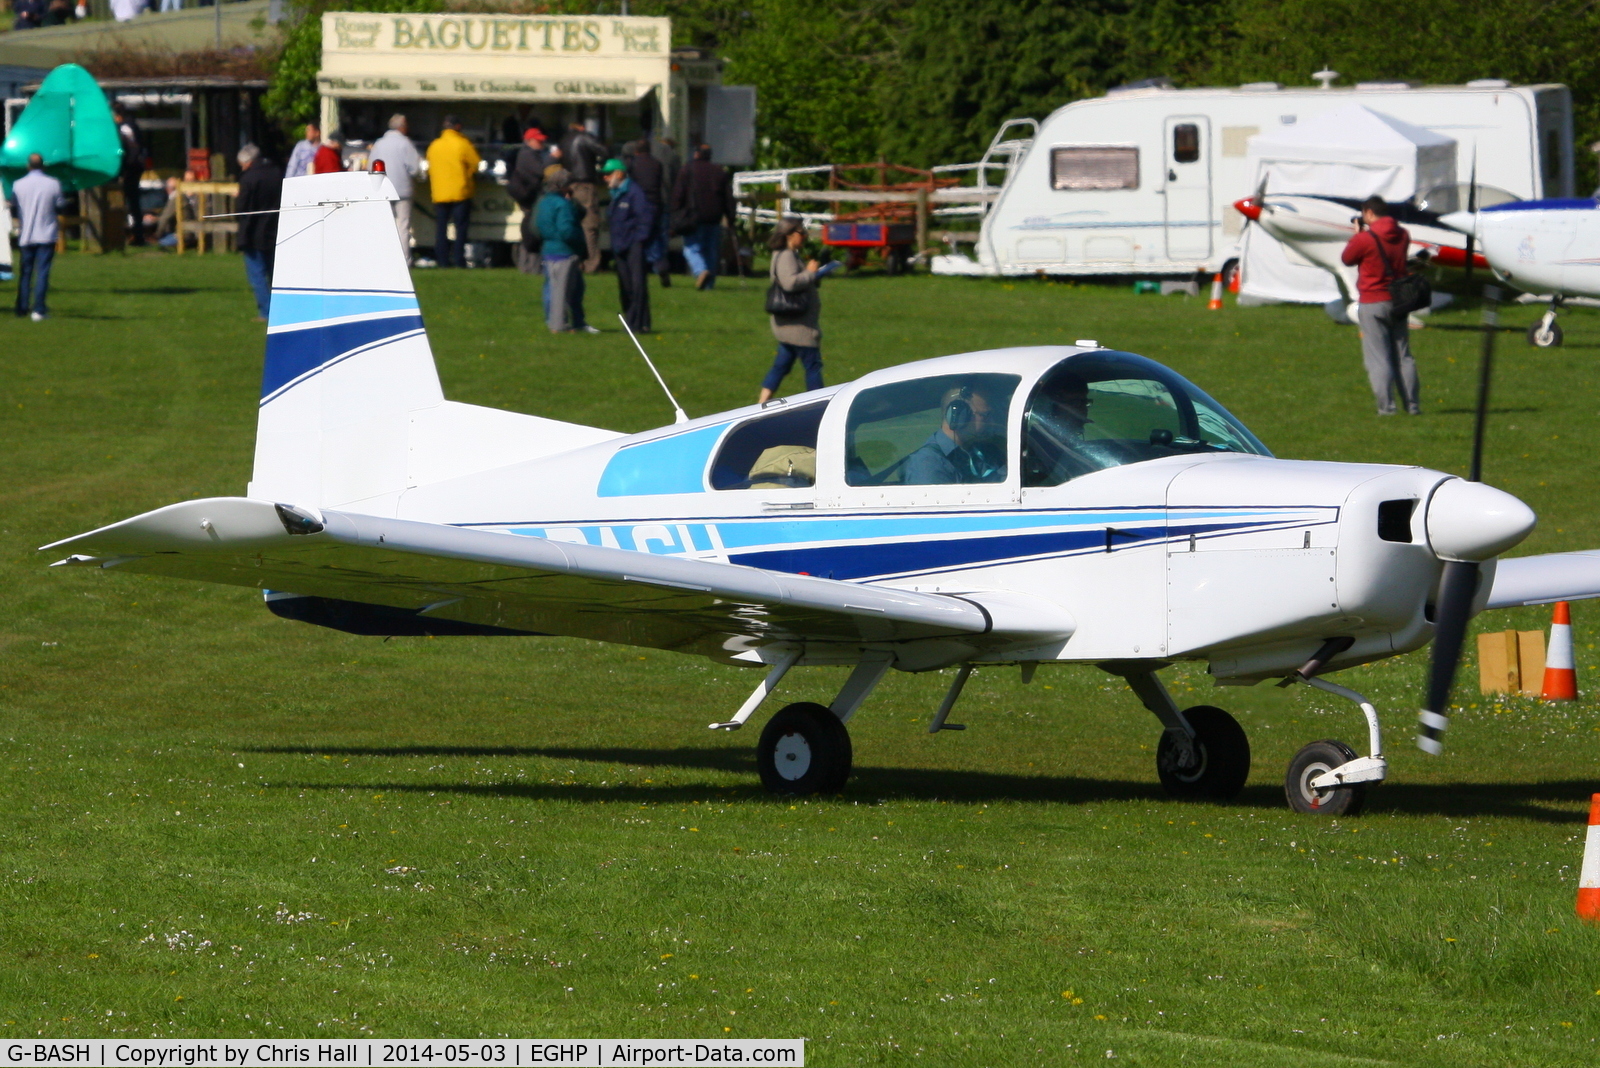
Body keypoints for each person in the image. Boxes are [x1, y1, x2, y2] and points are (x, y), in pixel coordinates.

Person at [1341, 195, 1419, 415]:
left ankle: (1387, 408)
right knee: (1403, 355)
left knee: (1378, 357)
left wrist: (1357, 236)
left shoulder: (1365, 239)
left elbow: (1347, 258)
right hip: (1398, 300)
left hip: (1373, 300)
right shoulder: (1403, 234)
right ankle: (1413, 405)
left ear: (1368, 213)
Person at [758, 218, 834, 404]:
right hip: (798, 326)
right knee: (813, 366)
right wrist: (810, 273)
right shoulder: (786, 256)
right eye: (802, 233)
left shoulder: (787, 254)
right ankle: (819, 404)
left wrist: (814, 274)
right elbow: (789, 283)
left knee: (781, 365)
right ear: (790, 235)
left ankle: (761, 403)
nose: (805, 236)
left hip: (790, 326)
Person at [904, 384, 1006, 485]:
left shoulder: (979, 453)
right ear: (959, 416)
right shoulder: (928, 464)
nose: (991, 422)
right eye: (985, 415)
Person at [536, 171, 596, 334]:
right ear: (564, 186)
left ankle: (558, 323)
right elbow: (567, 230)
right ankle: (559, 325)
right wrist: (579, 243)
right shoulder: (563, 205)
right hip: (564, 251)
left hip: (549, 250)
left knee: (555, 289)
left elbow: (539, 226)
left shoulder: (544, 202)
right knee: (563, 292)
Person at [673, 143, 734, 289]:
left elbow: (678, 194)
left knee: (692, 248)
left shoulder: (687, 169)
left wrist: (675, 213)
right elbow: (728, 198)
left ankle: (700, 271)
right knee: (711, 251)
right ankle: (709, 285)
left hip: (693, 216)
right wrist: (731, 218)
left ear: (696, 154)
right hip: (714, 217)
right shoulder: (719, 171)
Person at [605, 157, 655, 333]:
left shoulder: (634, 192)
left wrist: (638, 241)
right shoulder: (616, 194)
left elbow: (645, 219)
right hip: (620, 246)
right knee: (625, 286)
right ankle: (631, 321)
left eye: (608, 174)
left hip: (633, 245)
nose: (605, 178)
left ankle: (640, 323)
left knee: (637, 285)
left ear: (619, 173)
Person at [11, 153, 61, 320]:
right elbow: (60, 206)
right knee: (42, 272)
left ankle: (22, 307)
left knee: (25, 272)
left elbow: (14, 209)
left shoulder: (18, 184)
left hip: (26, 234)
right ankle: (39, 309)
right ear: (43, 166)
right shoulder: (54, 184)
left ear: (28, 166)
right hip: (46, 233)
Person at [236, 144, 283, 322]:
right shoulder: (277, 172)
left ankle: (266, 312)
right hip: (275, 228)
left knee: (257, 274)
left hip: (253, 231)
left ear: (247, 162)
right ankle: (280, 310)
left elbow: (242, 208)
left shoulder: (248, 178)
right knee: (275, 274)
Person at [426, 115, 481, 269]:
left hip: (440, 192)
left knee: (441, 229)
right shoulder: (463, 144)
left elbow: (429, 165)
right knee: (461, 229)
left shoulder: (434, 145)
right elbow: (476, 164)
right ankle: (459, 260)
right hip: (460, 192)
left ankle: (442, 260)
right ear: (457, 126)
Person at [369, 113, 421, 262]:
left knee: (385, 225)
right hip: (403, 190)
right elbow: (415, 168)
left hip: (383, 189)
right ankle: (404, 260)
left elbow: (370, 166)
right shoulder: (405, 143)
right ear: (402, 127)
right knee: (403, 226)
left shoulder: (379, 143)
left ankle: (384, 258)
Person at [558, 121, 606, 272]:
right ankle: (591, 263)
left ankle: (574, 260)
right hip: (585, 184)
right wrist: (601, 166)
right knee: (589, 224)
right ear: (582, 128)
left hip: (568, 185)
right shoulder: (584, 138)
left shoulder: (563, 140)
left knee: (571, 223)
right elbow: (604, 150)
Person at [506, 127, 549, 275]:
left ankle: (528, 267)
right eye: (539, 141)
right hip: (530, 199)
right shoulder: (527, 155)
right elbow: (542, 171)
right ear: (529, 141)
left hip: (529, 198)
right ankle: (529, 267)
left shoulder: (530, 154)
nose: (542, 143)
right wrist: (554, 159)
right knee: (531, 234)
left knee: (531, 233)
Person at [625, 139, 669, 286]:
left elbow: (628, 183)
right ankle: (659, 263)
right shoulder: (657, 164)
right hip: (656, 203)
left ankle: (656, 264)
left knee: (642, 238)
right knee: (656, 235)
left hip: (640, 204)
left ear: (636, 151)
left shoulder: (633, 164)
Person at [113, 107, 146, 246]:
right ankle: (137, 235)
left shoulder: (123, 127)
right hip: (136, 167)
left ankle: (118, 236)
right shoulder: (133, 125)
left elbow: (127, 148)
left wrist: (123, 169)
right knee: (134, 204)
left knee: (119, 203)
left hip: (129, 169)